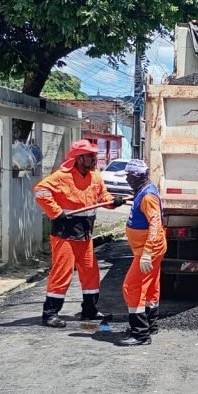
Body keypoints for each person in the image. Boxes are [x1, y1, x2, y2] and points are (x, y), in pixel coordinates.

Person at [34, 140, 126, 328]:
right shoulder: (61, 176)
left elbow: (103, 197)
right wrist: (56, 212)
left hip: (85, 233)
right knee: (62, 272)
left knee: (91, 273)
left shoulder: (95, 176)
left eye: (95, 155)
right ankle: (50, 314)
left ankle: (89, 310)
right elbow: (40, 191)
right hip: (64, 233)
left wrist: (113, 202)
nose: (95, 159)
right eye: (91, 156)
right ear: (79, 157)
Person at [117, 159, 167, 347]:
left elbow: (155, 224)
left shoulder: (147, 197)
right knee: (150, 286)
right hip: (150, 249)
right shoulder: (144, 190)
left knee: (132, 287)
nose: (127, 180)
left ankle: (140, 334)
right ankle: (150, 325)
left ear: (137, 177)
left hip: (148, 251)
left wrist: (146, 253)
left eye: (129, 176)